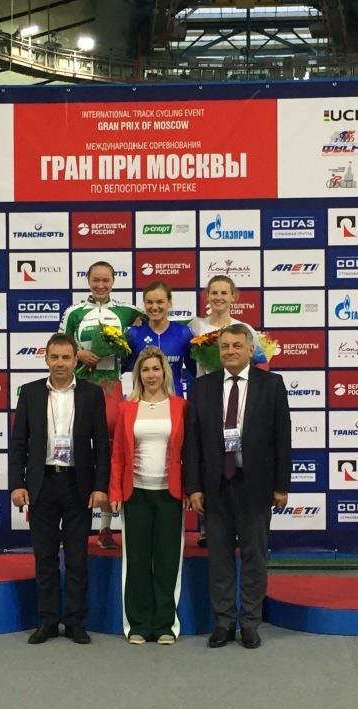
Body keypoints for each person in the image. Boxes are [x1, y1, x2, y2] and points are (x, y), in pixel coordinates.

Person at [184, 324, 291, 650]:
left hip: (255, 485)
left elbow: (282, 438)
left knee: (254, 556)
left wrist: (281, 486)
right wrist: (194, 487)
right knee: (219, 557)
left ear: (249, 350)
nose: (230, 351)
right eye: (225, 346)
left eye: (236, 346)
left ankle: (250, 622)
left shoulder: (271, 384)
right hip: (215, 487)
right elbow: (193, 443)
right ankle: (224, 621)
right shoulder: (202, 387)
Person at [9, 332, 110, 645]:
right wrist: (17, 484)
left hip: (78, 484)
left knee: (77, 557)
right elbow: (19, 442)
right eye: (55, 357)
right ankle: (48, 620)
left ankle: (75, 621)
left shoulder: (92, 394)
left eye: (66, 357)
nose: (60, 363)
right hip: (42, 484)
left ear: (75, 359)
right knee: (46, 557)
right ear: (46, 359)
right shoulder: (30, 392)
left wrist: (100, 486)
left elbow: (101, 445)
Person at [59, 260, 144, 549]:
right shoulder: (74, 312)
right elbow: (59, 344)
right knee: (78, 453)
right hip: (81, 388)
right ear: (87, 280)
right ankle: (73, 525)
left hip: (111, 388)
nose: (100, 285)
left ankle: (106, 527)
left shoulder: (126, 310)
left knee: (110, 455)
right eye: (95, 280)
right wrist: (78, 354)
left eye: (106, 280)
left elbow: (152, 324)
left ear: (113, 281)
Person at [109, 347, 188, 645]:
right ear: (138, 374)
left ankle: (165, 624)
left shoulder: (180, 407)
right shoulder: (127, 408)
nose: (151, 375)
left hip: (170, 494)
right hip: (136, 494)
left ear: (164, 372)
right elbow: (118, 455)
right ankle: (138, 625)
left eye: (156, 369)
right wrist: (115, 491)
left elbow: (189, 452)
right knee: (137, 561)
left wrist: (190, 490)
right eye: (145, 369)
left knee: (167, 561)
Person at [187, 274, 266, 546]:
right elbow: (185, 361)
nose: (218, 297)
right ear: (206, 296)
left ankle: (240, 525)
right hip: (206, 399)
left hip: (237, 399)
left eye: (224, 292)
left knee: (235, 461)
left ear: (234, 297)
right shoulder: (195, 326)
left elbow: (260, 364)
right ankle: (207, 526)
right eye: (214, 292)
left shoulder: (244, 328)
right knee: (207, 458)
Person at [125, 280, 195, 397]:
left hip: (175, 401)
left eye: (160, 302)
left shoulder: (183, 333)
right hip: (142, 401)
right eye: (149, 302)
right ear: (144, 304)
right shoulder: (134, 334)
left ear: (169, 303)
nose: (154, 307)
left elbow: (195, 371)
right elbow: (123, 367)